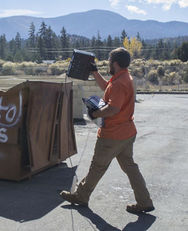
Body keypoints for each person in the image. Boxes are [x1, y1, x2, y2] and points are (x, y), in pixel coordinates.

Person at [60, 47, 154, 214]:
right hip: (127, 133)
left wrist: (94, 113)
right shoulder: (124, 77)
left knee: (97, 166)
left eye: (110, 62)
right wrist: (95, 72)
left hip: (112, 135)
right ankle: (145, 201)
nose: (109, 64)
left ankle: (81, 196)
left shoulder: (119, 83)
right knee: (130, 167)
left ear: (115, 63)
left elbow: (113, 109)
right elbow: (107, 87)